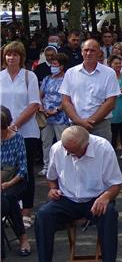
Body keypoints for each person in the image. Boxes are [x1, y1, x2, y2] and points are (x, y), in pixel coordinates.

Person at [35, 126, 122, 262]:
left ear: (86, 144)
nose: (69, 154)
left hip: (96, 199)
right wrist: (52, 189)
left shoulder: (103, 148)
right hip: (67, 199)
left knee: (110, 214)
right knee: (43, 214)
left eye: (74, 151)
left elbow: (116, 183)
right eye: (67, 150)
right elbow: (51, 178)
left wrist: (106, 197)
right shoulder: (57, 148)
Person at [0, 41, 42, 227]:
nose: (11, 58)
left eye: (15, 54)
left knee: (26, 174)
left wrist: (14, 125)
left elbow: (34, 104)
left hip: (26, 132)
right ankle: (10, 210)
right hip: (3, 134)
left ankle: (26, 212)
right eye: (9, 54)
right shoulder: (0, 77)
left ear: (21, 57)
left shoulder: (29, 76)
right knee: (7, 172)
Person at [59, 38, 120, 142]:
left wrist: (90, 122)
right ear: (81, 52)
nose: (89, 53)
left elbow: (110, 103)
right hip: (76, 125)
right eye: (86, 50)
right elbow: (65, 101)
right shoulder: (70, 73)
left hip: (101, 126)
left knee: (101, 157)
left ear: (99, 53)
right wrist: (79, 121)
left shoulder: (109, 73)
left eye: (92, 50)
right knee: (77, 157)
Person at [1, 105, 33, 257]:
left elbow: (23, 170)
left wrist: (8, 184)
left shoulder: (17, 139)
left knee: (9, 198)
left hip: (16, 180)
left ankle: (23, 238)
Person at [39, 53, 70, 176]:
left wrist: (56, 110)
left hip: (60, 117)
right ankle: (46, 166)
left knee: (62, 142)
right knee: (46, 142)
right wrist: (41, 107)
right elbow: (40, 94)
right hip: (46, 116)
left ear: (62, 66)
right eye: (52, 64)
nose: (52, 66)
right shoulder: (47, 79)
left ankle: (64, 167)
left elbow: (67, 98)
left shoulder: (66, 80)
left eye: (55, 64)